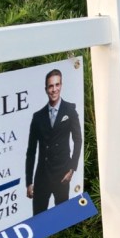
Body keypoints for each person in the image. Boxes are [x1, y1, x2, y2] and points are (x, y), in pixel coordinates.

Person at [25, 69, 82, 215]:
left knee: (63, 217)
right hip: (42, 176)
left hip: (62, 174)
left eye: (57, 85)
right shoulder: (37, 117)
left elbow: (78, 139)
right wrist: (29, 182)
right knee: (38, 220)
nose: (54, 89)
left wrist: (72, 168)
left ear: (61, 85)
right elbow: (31, 151)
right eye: (51, 86)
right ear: (46, 89)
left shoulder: (70, 110)